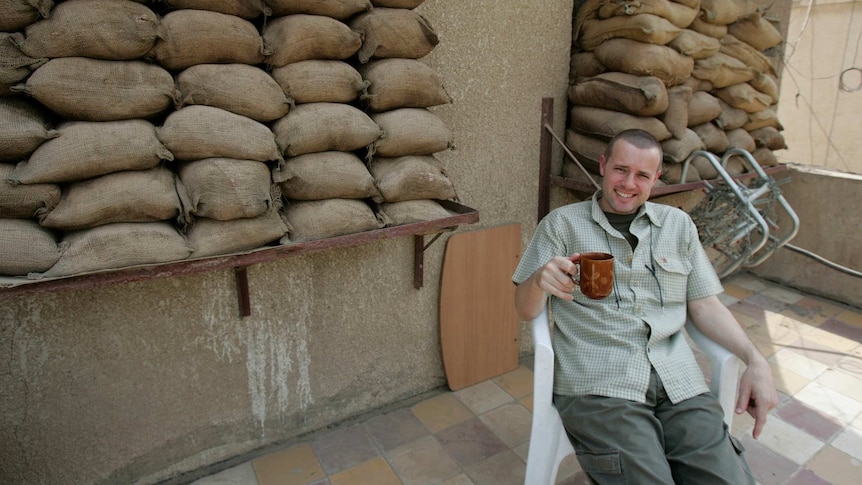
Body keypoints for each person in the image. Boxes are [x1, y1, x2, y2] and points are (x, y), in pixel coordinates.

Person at [513, 129, 777, 484]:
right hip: (601, 384)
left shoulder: (677, 226)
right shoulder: (562, 224)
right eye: (621, 170)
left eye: (641, 175)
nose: (628, 183)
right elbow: (525, 310)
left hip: (678, 381)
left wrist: (755, 359)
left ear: (656, 178)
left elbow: (705, 306)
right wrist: (539, 280)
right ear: (603, 166)